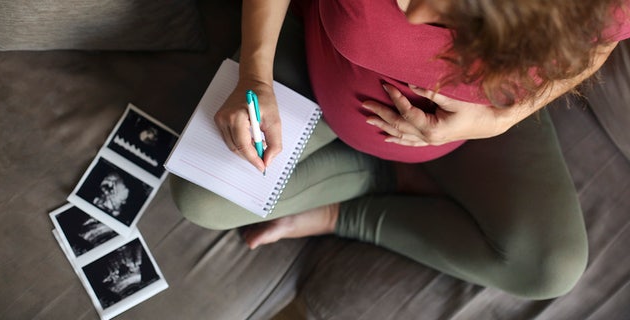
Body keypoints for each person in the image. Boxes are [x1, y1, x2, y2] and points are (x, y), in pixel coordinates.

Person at [170, 0, 630, 299]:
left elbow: (601, 37)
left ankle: (343, 211)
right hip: (322, 76)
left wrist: (500, 118)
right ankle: (380, 175)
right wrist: (254, 75)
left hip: (474, 124)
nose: (413, 14)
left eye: (453, 18)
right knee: (199, 197)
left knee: (551, 268)